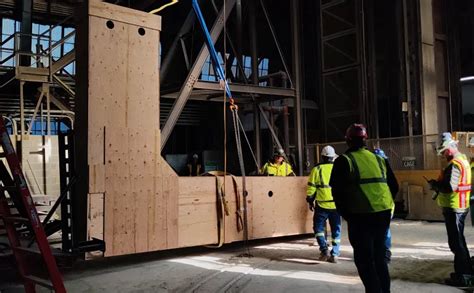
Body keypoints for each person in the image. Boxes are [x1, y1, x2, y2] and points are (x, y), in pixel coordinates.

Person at [330, 123, 398, 293]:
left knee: (365, 260)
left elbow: (337, 194)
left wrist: (348, 215)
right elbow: (394, 186)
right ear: (365, 140)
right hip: (383, 214)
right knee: (379, 258)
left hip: (360, 217)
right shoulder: (379, 159)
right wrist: (385, 204)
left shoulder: (344, 160)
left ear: (348, 140)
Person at [428, 132, 473, 287]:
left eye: (444, 151)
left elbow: (449, 187)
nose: (443, 154)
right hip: (460, 206)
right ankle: (466, 272)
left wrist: (435, 184)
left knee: (456, 243)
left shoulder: (455, 164)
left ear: (450, 148)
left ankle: (464, 276)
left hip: (455, 207)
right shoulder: (463, 161)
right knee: (459, 242)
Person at [306, 145, 341, 263]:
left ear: (322, 156)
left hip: (322, 205)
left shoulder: (317, 169)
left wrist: (310, 201)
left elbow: (311, 188)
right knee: (336, 230)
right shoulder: (338, 168)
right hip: (336, 205)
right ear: (333, 157)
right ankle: (335, 254)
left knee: (318, 228)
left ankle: (324, 250)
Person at [374, 148, 397, 264]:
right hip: (386, 205)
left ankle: (381, 252)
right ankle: (385, 253)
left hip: (374, 206)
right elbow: (394, 187)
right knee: (385, 229)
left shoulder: (370, 171)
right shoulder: (387, 170)